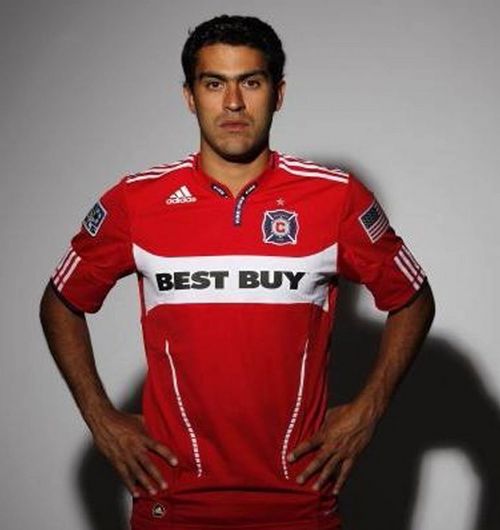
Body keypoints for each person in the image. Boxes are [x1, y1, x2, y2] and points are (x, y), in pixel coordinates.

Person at [39, 14, 435, 530]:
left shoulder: (335, 197)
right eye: (213, 84)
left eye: (250, 82)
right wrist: (101, 418)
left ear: (278, 93)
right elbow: (61, 302)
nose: (232, 103)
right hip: (173, 507)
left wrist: (369, 409)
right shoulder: (137, 201)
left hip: (299, 507)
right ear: (189, 96)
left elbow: (412, 299)